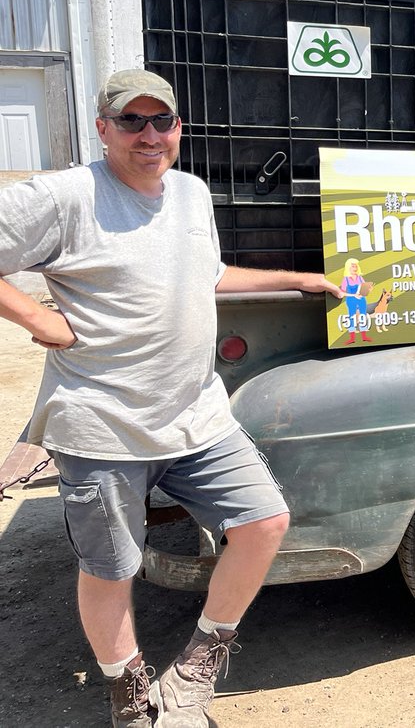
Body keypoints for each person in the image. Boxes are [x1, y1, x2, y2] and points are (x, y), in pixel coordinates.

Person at [0, 69, 342, 727]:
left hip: (196, 413)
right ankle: (130, 699)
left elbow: (206, 274)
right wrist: (39, 320)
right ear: (103, 128)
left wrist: (293, 275)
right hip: (102, 421)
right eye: (132, 121)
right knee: (112, 566)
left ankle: (194, 670)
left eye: (163, 121)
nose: (149, 134)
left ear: (179, 129)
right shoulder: (69, 196)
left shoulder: (190, 192)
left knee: (263, 523)